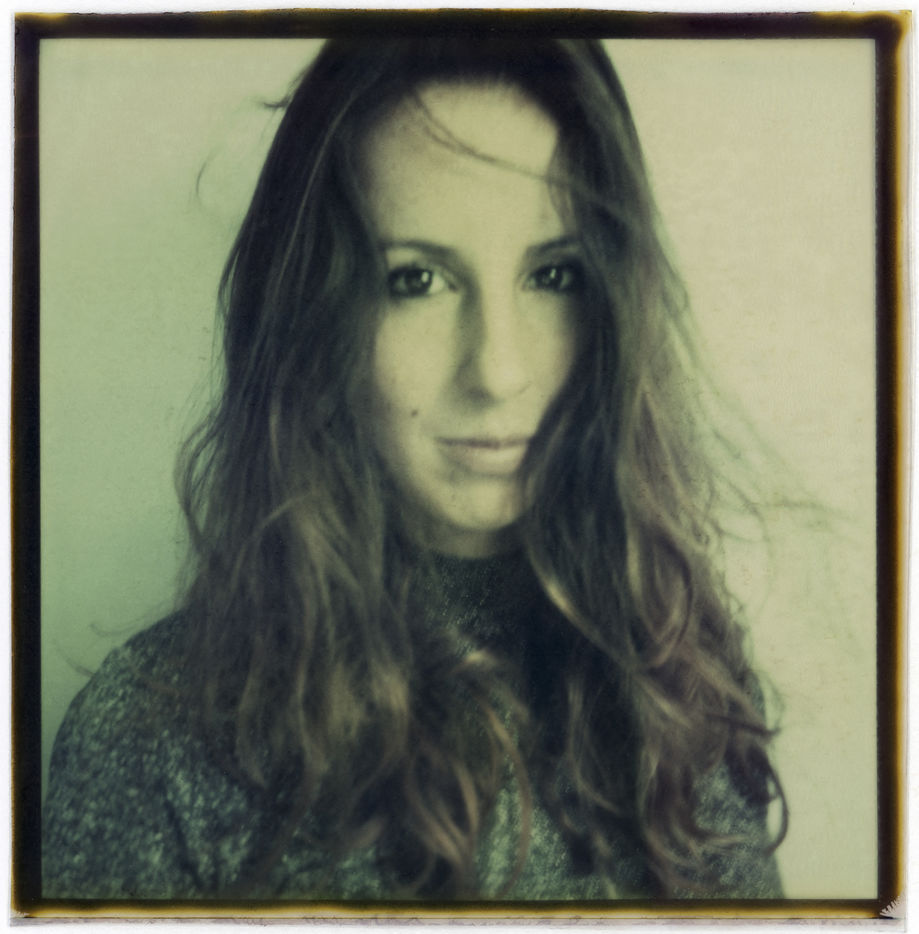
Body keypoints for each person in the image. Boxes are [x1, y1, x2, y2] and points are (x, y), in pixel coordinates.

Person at [43, 36, 785, 901]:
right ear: (315, 315)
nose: (497, 371)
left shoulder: (678, 677)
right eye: (418, 280)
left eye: (553, 274)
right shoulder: (157, 738)